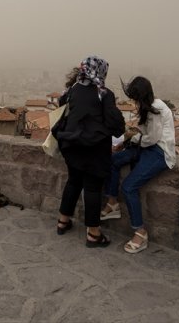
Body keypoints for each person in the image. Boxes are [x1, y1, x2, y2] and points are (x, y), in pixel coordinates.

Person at [52, 56, 126, 247]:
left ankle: (63, 221)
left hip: (71, 145)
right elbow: (115, 124)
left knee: (74, 182)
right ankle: (93, 234)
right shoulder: (104, 93)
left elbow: (63, 109)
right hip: (94, 148)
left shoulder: (72, 90)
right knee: (92, 188)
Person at [100, 76, 176, 254]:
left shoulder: (156, 109)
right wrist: (126, 143)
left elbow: (152, 139)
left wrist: (132, 141)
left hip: (160, 152)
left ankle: (140, 232)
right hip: (147, 147)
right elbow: (144, 134)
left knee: (129, 187)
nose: (134, 102)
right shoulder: (148, 107)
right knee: (113, 161)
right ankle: (112, 202)